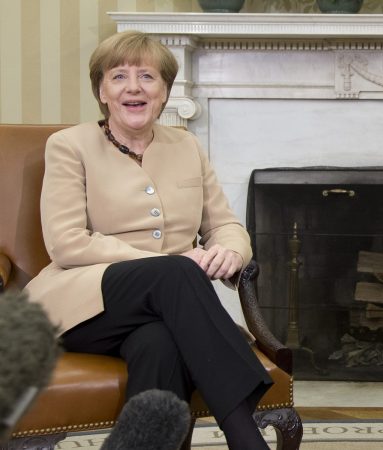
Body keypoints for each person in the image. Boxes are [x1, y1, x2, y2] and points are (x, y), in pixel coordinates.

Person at [25, 30, 273, 450]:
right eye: (119, 76)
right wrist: (161, 264)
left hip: (166, 305)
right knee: (173, 272)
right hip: (82, 302)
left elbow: (224, 225)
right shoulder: (69, 146)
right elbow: (66, 243)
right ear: (101, 91)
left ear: (165, 91)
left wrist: (231, 250)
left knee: (159, 344)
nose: (133, 87)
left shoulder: (186, 145)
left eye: (147, 76)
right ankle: (245, 437)